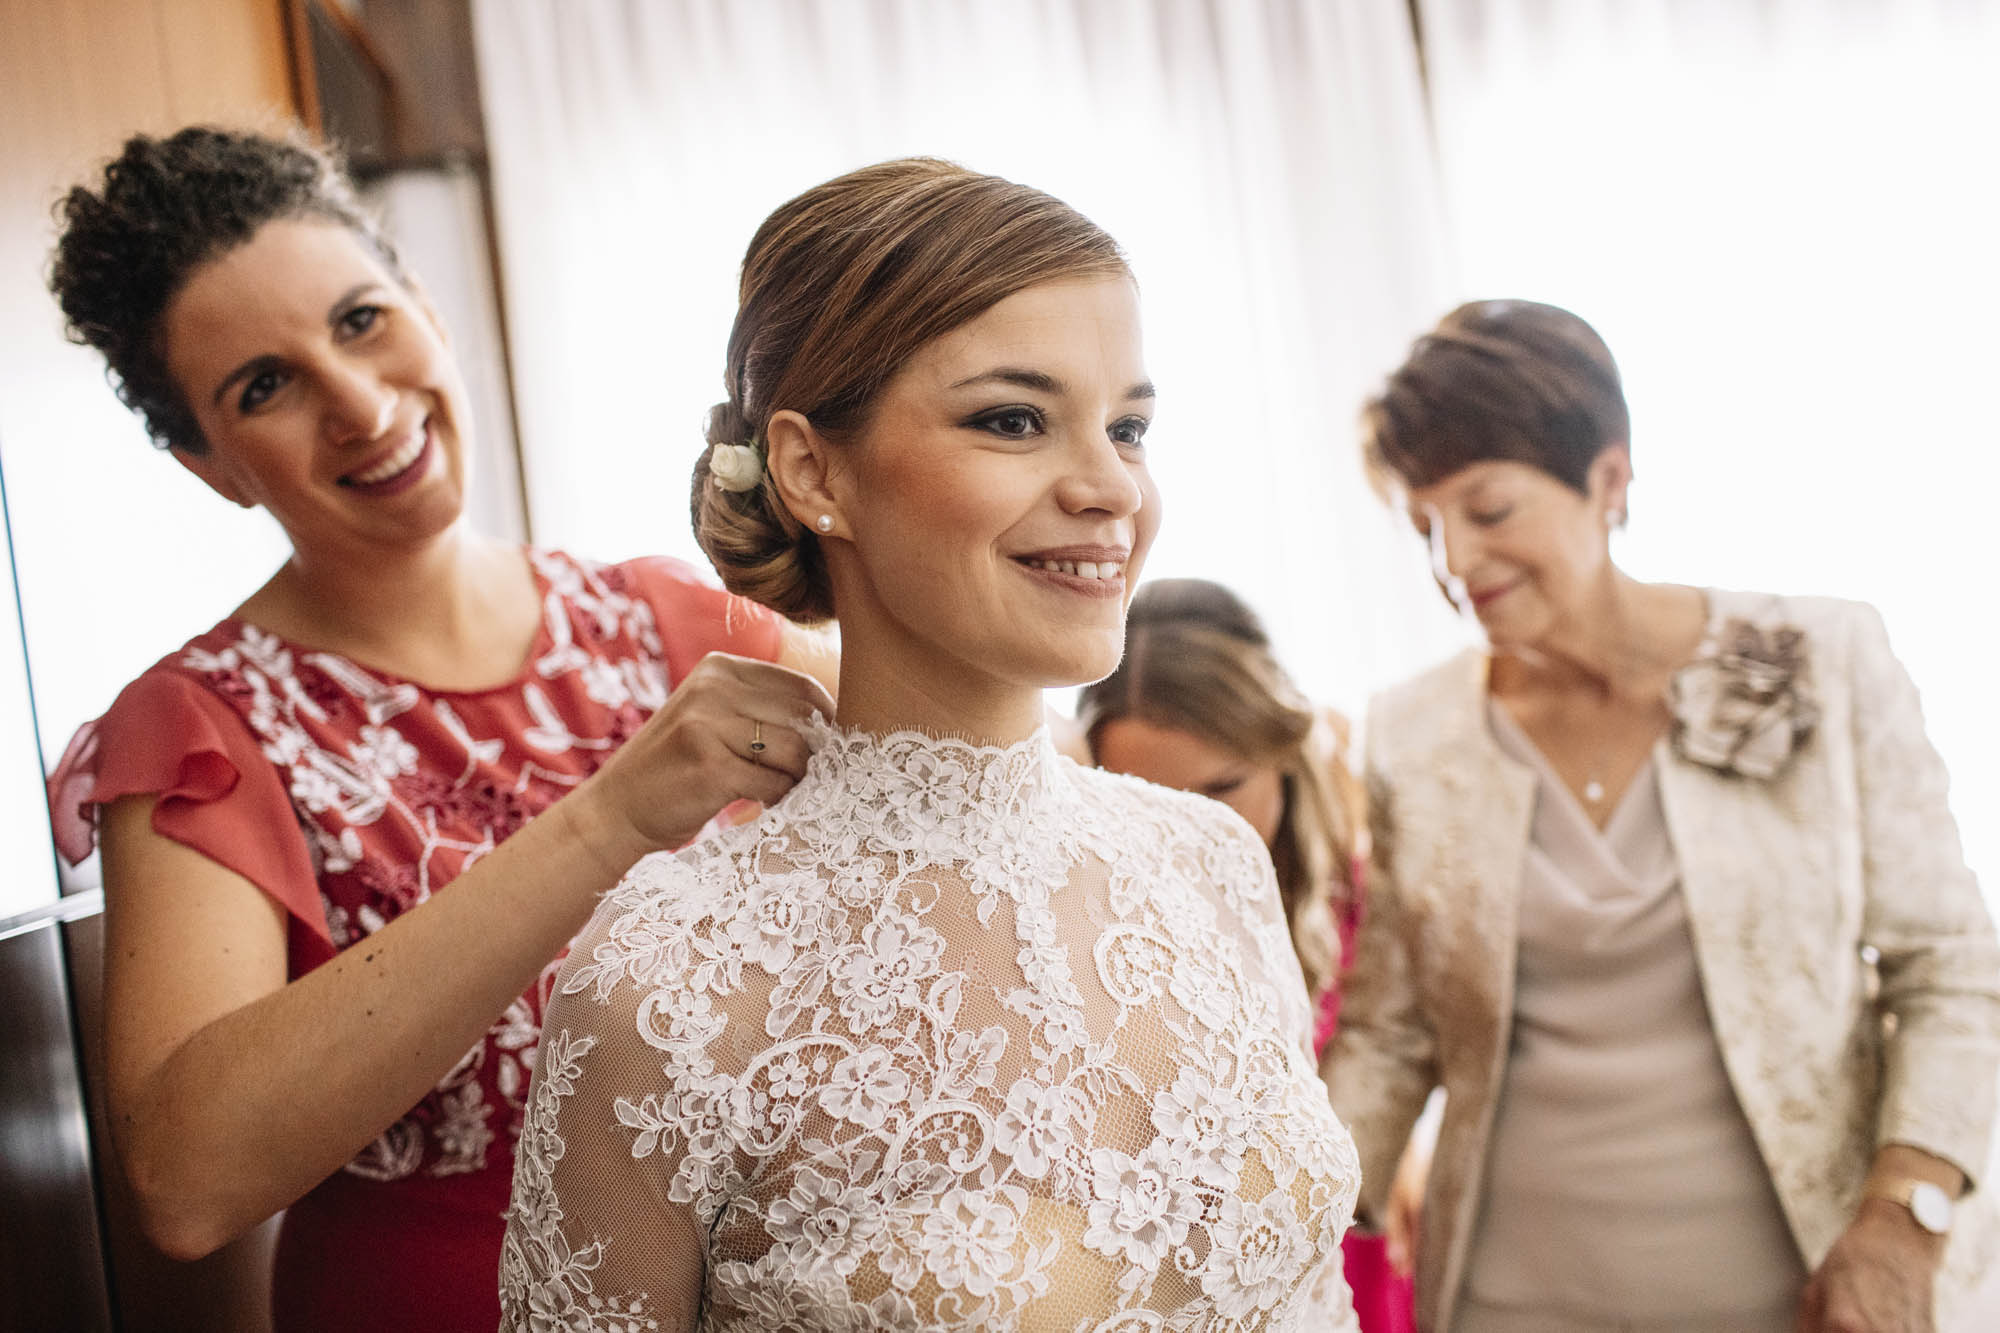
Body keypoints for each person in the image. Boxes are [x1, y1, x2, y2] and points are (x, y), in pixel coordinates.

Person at [498, 158, 1362, 1331]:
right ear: (813, 472)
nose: (1111, 486)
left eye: (1129, 426)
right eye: (1013, 420)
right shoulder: (673, 981)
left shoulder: (1211, 863)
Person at [43, 126, 837, 1332]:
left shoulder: (677, 625)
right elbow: (187, 1183)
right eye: (265, 385)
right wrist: (608, 820)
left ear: (425, 303)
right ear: (210, 464)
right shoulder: (204, 726)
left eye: (362, 321)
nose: (359, 407)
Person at [1329, 298, 2000, 1333]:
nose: (1451, 562)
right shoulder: (1411, 733)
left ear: (1607, 479)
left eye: (1487, 510)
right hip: (1513, 1299)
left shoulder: (1820, 658)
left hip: (1807, 1291)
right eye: (1424, 523)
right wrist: (1274, 1231)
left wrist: (1902, 1217)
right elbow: (1387, 1033)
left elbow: (1952, 971)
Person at [1080, 576, 1421, 1333]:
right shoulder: (1098, 938)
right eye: (1145, 796)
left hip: (1358, 1266)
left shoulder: (1365, 900)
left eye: (1221, 789)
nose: (1188, 832)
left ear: (1284, 756)